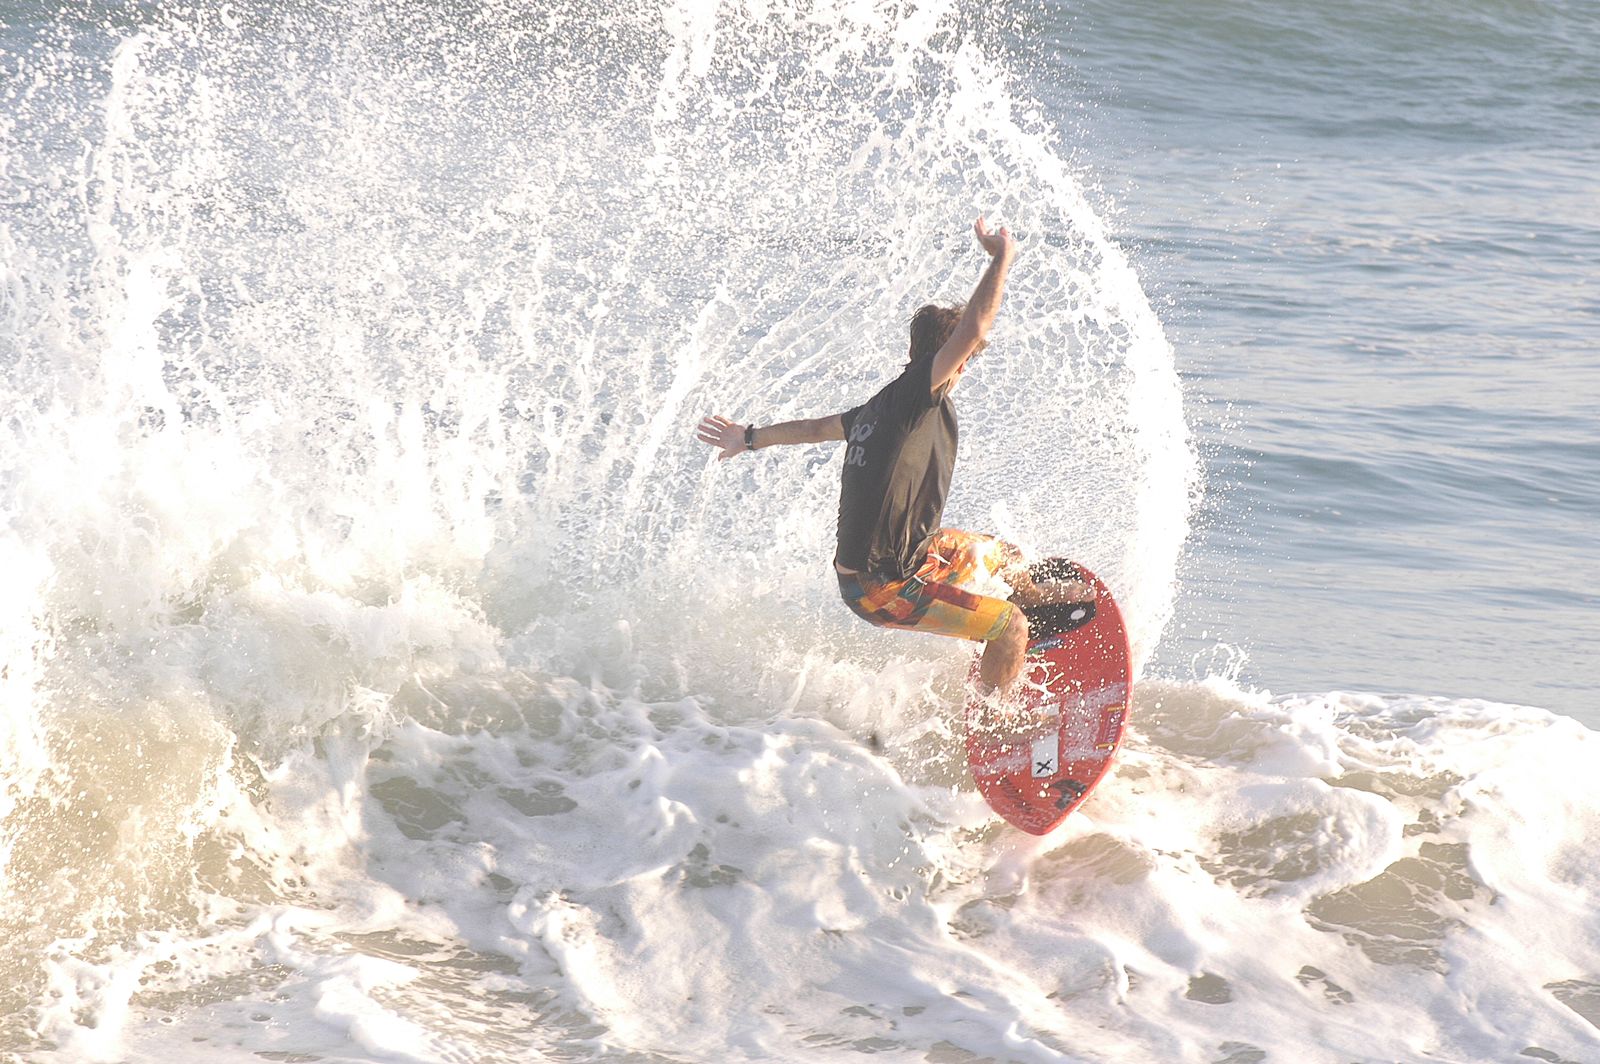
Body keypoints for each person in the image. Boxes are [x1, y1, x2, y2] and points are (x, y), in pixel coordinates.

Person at [695, 217, 1093, 696]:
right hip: (879, 588)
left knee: (1004, 556)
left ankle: (1034, 600)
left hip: (907, 558)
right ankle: (1000, 717)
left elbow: (818, 428)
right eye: (964, 357)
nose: (966, 364)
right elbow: (974, 327)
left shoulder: (878, 408)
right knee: (1007, 625)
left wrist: (751, 436)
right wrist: (1002, 257)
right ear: (952, 359)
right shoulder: (914, 398)